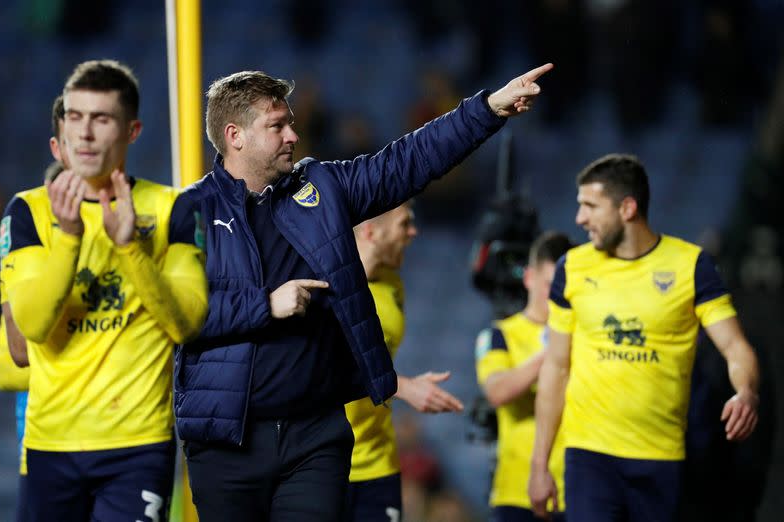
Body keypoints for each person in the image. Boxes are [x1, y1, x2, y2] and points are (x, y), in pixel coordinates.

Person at [174, 63, 553, 521]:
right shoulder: (189, 212)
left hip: (314, 438)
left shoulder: (321, 188)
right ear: (234, 136)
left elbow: (409, 161)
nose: (293, 135)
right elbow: (177, 314)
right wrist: (265, 305)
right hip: (228, 444)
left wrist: (487, 109)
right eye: (277, 126)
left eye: (291, 122)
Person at [0, 59, 208, 522]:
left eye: (101, 118)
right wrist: (70, 237)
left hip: (138, 443)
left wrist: (130, 248)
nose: (85, 133)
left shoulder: (173, 207)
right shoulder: (28, 211)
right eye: (74, 116)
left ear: (131, 131)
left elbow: (187, 325)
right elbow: (31, 326)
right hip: (51, 441)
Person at [528, 154, 760, 521]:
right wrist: (539, 464)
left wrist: (745, 390)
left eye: (590, 206)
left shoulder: (691, 266)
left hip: (661, 458)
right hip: (589, 457)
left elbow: (734, 346)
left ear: (627, 208)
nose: (579, 219)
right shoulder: (571, 268)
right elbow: (556, 368)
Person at [344, 202, 464, 522]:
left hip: (379, 462)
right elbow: (323, 367)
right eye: (404, 223)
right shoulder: (320, 285)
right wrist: (402, 385)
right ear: (371, 231)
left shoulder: (392, 286)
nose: (413, 232)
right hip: (324, 462)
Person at [0, 94, 67, 522]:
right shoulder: (26, 215)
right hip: (43, 434)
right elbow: (15, 351)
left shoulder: (136, 214)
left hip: (120, 435)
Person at [476, 231, 572, 522]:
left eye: (564, 287)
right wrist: (554, 354)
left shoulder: (585, 335)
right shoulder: (499, 335)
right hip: (516, 492)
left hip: (575, 490)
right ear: (529, 278)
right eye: (549, 285)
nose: (557, 295)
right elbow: (497, 391)